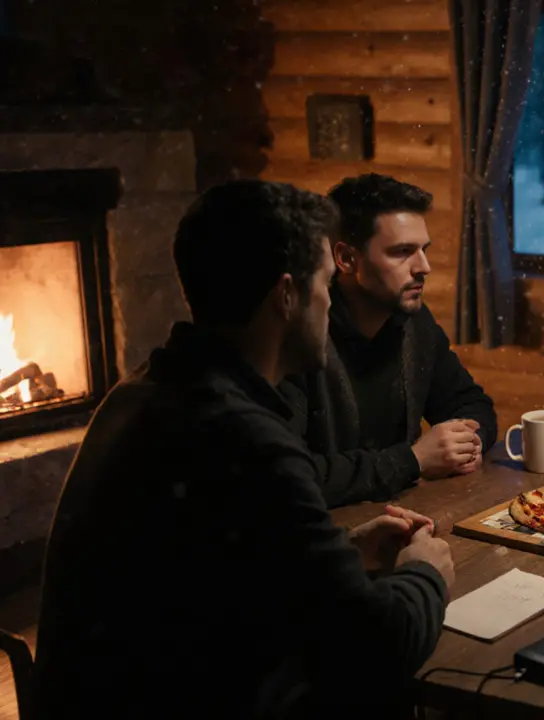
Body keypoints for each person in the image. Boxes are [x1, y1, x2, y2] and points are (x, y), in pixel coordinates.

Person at [33, 180, 455, 719]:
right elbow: (375, 650)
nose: (331, 302)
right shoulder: (243, 437)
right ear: (287, 296)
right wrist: (425, 573)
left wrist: (345, 552)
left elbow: (213, 570)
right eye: (326, 283)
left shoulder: (146, 391)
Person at [281, 173, 497, 508]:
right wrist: (413, 461)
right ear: (346, 259)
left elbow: (471, 404)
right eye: (403, 252)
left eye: (424, 250)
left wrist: (468, 443)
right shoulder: (299, 338)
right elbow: (288, 478)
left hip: (403, 516)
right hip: (324, 531)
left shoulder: (415, 322)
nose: (423, 267)